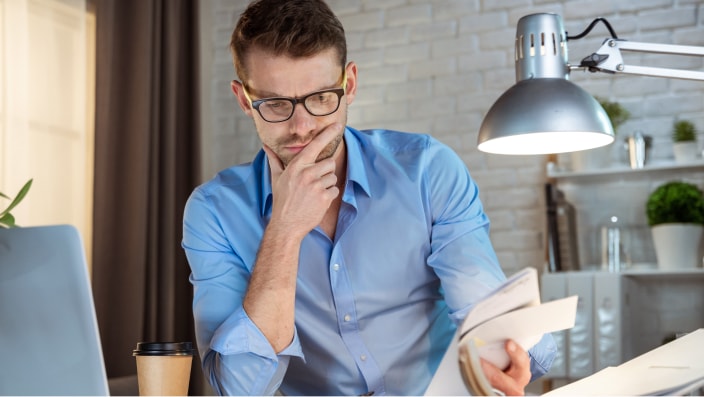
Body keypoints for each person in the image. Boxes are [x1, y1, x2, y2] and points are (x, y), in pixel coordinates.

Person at [182, 0, 556, 395]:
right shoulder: (214, 212)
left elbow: (488, 316)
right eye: (276, 104)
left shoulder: (427, 172)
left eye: (321, 97)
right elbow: (238, 388)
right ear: (244, 100)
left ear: (350, 85)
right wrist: (285, 229)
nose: (302, 127)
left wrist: (507, 353)